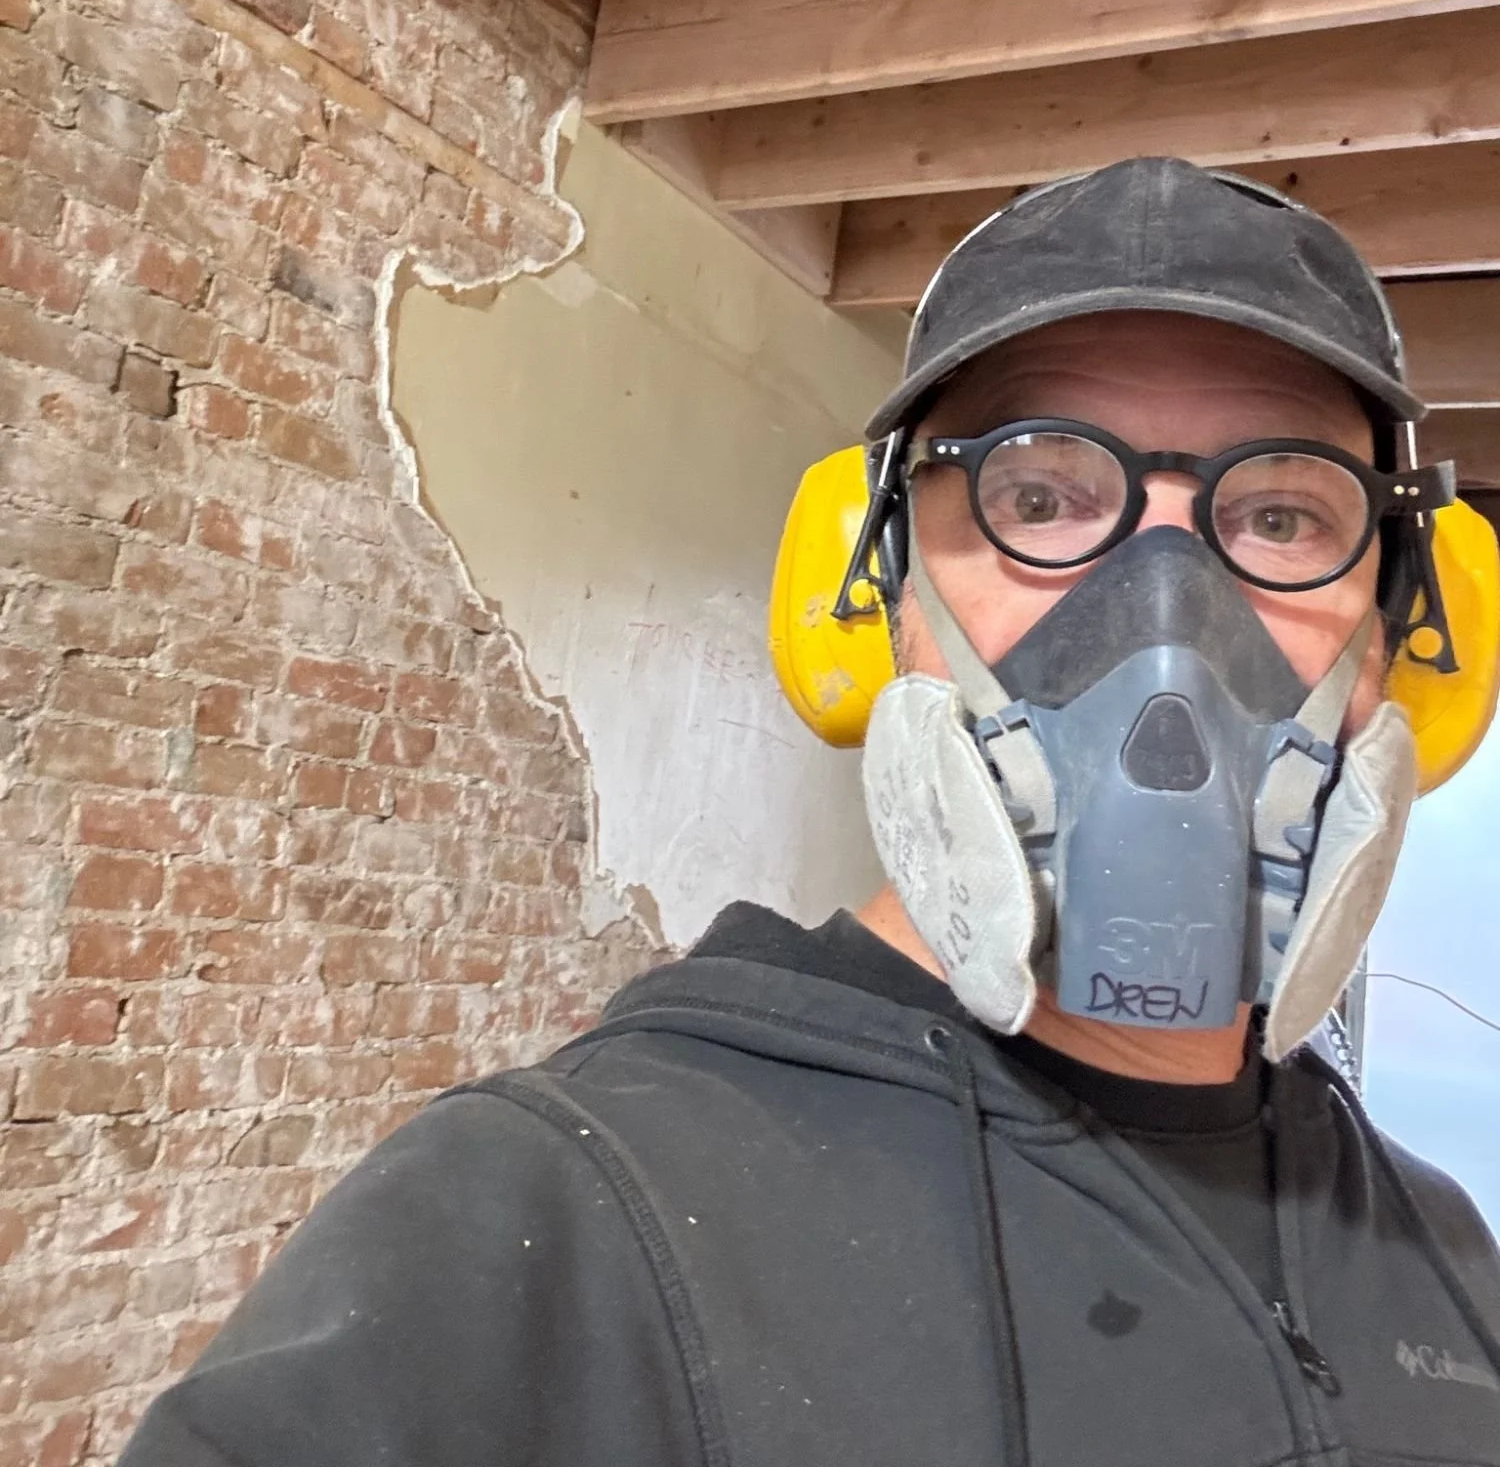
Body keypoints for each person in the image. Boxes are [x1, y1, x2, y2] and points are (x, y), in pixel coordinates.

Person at [121, 158, 1500, 1467]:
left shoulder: (1440, 1252)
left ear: (1400, 634)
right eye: (1040, 496)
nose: (1165, 614)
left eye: (1281, 518)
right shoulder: (552, 1217)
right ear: (877, 599)